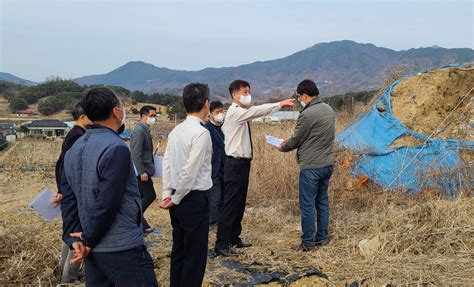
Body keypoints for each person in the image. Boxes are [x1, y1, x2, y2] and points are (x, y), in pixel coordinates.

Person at [60, 87, 158, 286]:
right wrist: (87, 239)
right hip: (121, 245)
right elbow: (108, 203)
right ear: (116, 111)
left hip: (94, 250)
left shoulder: (74, 148)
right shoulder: (116, 148)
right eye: (121, 106)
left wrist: (74, 237)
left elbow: (68, 197)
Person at [214, 80, 295, 256]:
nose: (247, 95)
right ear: (234, 95)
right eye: (244, 92)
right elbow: (256, 111)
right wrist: (278, 105)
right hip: (234, 163)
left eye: (248, 91)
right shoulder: (236, 112)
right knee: (230, 204)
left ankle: (234, 237)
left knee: (239, 202)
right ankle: (222, 244)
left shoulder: (240, 113)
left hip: (242, 163)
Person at [160, 83, 213, 287]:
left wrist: (168, 192)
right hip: (193, 198)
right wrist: (176, 197)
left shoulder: (176, 131)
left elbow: (167, 162)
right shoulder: (201, 133)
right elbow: (190, 172)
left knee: (179, 250)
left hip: (176, 196)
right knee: (195, 255)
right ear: (206, 104)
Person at [277, 79, 336, 251]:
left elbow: (296, 139)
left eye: (300, 97)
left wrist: (282, 146)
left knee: (308, 204)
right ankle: (322, 238)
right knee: (322, 201)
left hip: (311, 165)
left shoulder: (307, 114)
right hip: (327, 163)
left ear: (304, 94)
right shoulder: (328, 109)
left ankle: (308, 242)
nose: (300, 100)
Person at [53, 102, 91, 284]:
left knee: (69, 233)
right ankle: (69, 278)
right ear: (82, 117)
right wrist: (64, 190)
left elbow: (59, 165)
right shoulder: (79, 136)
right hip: (74, 193)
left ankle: (64, 271)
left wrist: (61, 189)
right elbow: (65, 166)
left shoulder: (73, 134)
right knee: (77, 235)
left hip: (68, 191)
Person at [131, 105, 158, 234]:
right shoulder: (139, 130)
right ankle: (133, 218)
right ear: (143, 116)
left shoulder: (145, 129)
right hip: (142, 171)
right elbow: (136, 153)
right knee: (150, 195)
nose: (153, 118)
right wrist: (141, 171)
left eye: (154, 116)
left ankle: (142, 226)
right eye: (151, 116)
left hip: (145, 170)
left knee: (140, 197)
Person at [205, 101, 226, 226]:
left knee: (223, 195)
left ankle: (220, 218)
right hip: (213, 167)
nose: (220, 114)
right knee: (215, 197)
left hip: (225, 167)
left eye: (221, 111)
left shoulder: (224, 127)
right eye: (217, 112)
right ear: (211, 114)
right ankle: (212, 220)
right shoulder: (207, 128)